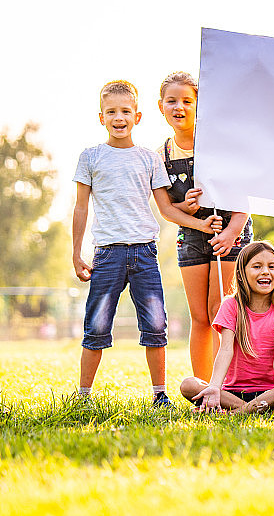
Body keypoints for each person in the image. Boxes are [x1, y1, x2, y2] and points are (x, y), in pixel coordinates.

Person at [73, 80, 221, 406]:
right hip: (107, 253)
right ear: (101, 117)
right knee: (96, 325)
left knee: (155, 325)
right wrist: (76, 252)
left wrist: (195, 213)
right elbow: (81, 207)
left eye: (125, 111)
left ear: (137, 116)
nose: (118, 117)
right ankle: (83, 395)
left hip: (144, 252)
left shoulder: (149, 160)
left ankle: (159, 395)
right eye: (111, 111)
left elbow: (166, 208)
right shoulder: (90, 158)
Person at [158, 72, 252, 381]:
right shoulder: (161, 156)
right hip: (192, 235)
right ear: (161, 107)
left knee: (220, 313)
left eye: (187, 100)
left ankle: (225, 385)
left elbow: (244, 197)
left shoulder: (220, 146)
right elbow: (168, 210)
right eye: (172, 101)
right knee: (199, 316)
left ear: (200, 105)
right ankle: (201, 390)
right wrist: (192, 212)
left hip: (230, 233)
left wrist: (229, 233)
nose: (179, 107)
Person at [180, 241, 274, 413]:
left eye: (272, 266)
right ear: (241, 274)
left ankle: (235, 413)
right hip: (231, 393)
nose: (265, 271)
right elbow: (225, 349)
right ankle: (257, 409)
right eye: (257, 266)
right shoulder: (230, 306)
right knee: (188, 384)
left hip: (270, 392)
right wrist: (214, 386)